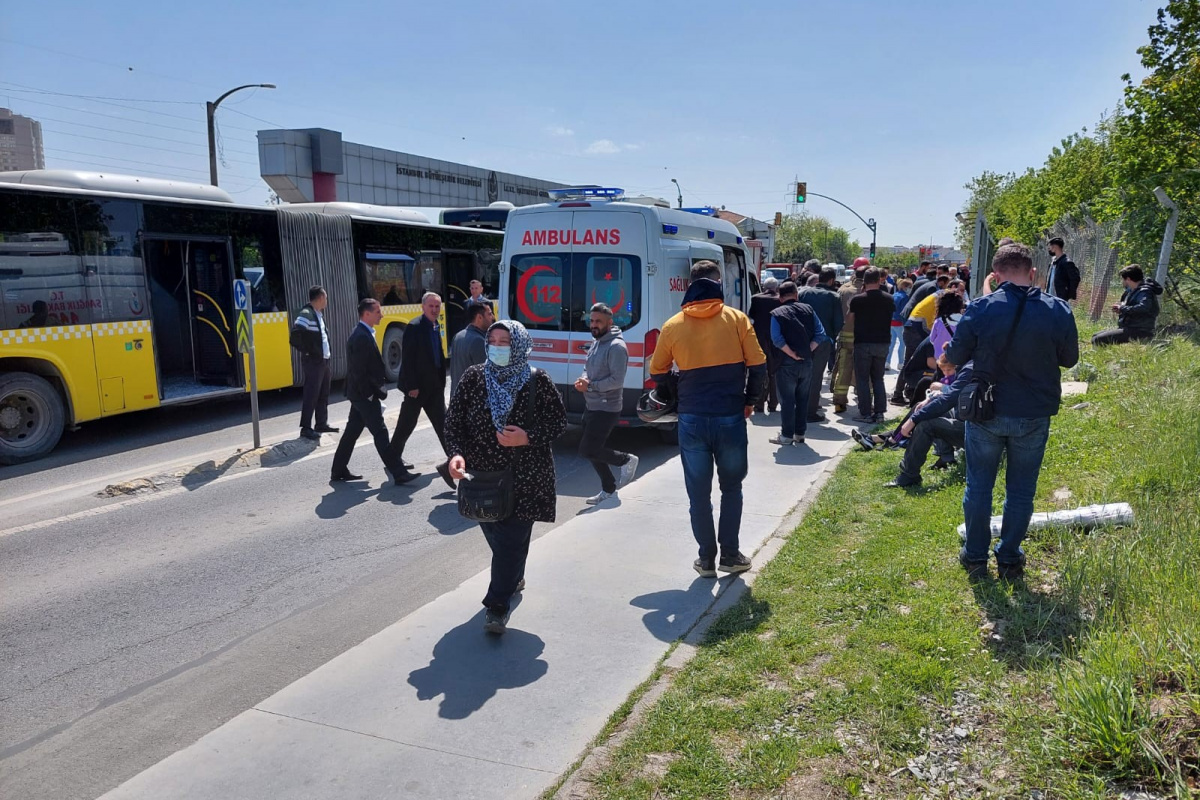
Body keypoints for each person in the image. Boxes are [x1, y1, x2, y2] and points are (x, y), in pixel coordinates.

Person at [946, 242, 1079, 579]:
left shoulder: (980, 308)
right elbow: (1069, 359)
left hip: (986, 410)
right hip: (1034, 411)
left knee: (979, 486)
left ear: (995, 275)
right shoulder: (1058, 309)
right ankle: (1008, 558)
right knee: (1021, 490)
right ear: (1033, 273)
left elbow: (956, 356)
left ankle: (975, 556)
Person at [445, 320, 567, 634]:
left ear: (520, 346)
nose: (497, 347)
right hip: (482, 479)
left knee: (510, 543)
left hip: (526, 477)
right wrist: (456, 454)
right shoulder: (474, 378)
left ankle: (497, 607)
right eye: (493, 341)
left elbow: (558, 422)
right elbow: (454, 421)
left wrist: (527, 437)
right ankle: (513, 577)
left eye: (505, 342)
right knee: (502, 541)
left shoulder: (537, 380)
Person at [649, 260, 766, 578]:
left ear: (690, 284)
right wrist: (750, 401)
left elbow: (657, 371)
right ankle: (730, 555)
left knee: (698, 494)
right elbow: (758, 366)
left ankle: (706, 559)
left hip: (691, 419)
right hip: (730, 415)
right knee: (732, 488)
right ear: (718, 283)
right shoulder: (737, 319)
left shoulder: (673, 325)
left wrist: (675, 393)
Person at [330, 299, 415, 484]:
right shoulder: (361, 336)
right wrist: (369, 394)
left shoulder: (364, 333)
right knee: (380, 432)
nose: (381, 315)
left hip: (358, 394)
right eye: (377, 312)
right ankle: (399, 473)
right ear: (367, 314)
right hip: (363, 395)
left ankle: (338, 470)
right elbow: (358, 371)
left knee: (352, 431)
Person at [575, 303, 638, 504]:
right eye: (592, 321)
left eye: (598, 322)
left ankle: (626, 460)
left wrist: (590, 386)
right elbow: (588, 367)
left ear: (610, 323)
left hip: (606, 407)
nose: (594, 325)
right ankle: (608, 489)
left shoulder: (616, 347)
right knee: (593, 449)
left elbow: (616, 381)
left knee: (588, 449)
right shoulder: (597, 341)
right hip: (592, 405)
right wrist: (584, 379)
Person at [391, 292, 454, 488]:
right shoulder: (415, 327)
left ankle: (454, 461)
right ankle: (393, 461)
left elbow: (437, 355)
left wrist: (441, 381)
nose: (434, 310)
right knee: (406, 425)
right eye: (431, 306)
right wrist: (412, 386)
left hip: (434, 386)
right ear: (423, 307)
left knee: (444, 425)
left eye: (437, 306)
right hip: (417, 388)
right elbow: (408, 359)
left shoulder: (436, 325)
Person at [884, 360, 974, 487]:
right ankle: (946, 457)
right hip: (973, 424)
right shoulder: (974, 362)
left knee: (926, 425)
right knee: (926, 409)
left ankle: (909, 474)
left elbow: (948, 400)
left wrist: (913, 420)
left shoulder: (971, 368)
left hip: (977, 431)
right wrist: (930, 399)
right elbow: (951, 397)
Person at [768, 281, 824, 446]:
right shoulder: (809, 309)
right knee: (802, 399)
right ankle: (800, 434)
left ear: (780, 297)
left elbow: (777, 339)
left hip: (785, 363)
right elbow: (821, 333)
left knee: (787, 401)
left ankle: (786, 436)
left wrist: (792, 354)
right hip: (806, 361)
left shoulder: (777, 313)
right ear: (796, 295)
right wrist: (808, 350)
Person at [795, 267, 842, 422]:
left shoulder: (804, 293)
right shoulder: (834, 297)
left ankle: (797, 407)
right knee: (815, 377)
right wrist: (831, 338)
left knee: (800, 375)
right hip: (823, 341)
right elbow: (838, 322)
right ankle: (810, 412)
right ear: (831, 280)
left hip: (803, 340)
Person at [847, 267, 894, 423]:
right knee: (878, 378)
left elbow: (849, 319)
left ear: (864, 282)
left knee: (862, 379)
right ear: (880, 280)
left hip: (863, 342)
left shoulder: (858, 300)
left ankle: (865, 413)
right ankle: (880, 413)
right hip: (883, 342)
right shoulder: (889, 298)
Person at [291, 286, 337, 441]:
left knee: (323, 393)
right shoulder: (306, 313)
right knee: (311, 394)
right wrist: (309, 352)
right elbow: (295, 335)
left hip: (323, 360)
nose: (327, 301)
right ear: (320, 298)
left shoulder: (318, 314)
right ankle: (306, 428)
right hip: (314, 361)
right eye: (326, 297)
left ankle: (321, 423)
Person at [831, 260, 869, 412]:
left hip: (845, 336)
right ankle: (867, 402)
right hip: (865, 338)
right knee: (867, 371)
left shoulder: (844, 289)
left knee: (843, 370)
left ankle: (839, 402)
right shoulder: (872, 292)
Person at [1092, 265, 1163, 346]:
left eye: (1123, 279)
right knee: (1095, 336)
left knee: (1098, 340)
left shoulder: (1145, 292)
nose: (1122, 282)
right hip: (1130, 327)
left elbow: (1144, 308)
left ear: (1128, 279)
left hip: (1140, 330)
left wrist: (1122, 308)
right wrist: (1121, 309)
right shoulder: (1133, 290)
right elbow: (1132, 308)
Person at [748, 277, 782, 414]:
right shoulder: (780, 300)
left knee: (760, 371)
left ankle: (758, 404)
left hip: (759, 339)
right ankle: (773, 403)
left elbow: (751, 317)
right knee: (774, 373)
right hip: (776, 340)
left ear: (764, 287)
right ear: (776, 287)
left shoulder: (755, 299)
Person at [450, 302, 494, 394]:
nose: (493, 317)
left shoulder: (458, 336)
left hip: (458, 395)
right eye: (489, 314)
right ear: (479, 317)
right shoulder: (478, 341)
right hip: (471, 397)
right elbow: (485, 376)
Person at [1046, 237, 1081, 303]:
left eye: (1050, 246)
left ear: (1055, 247)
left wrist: (1067, 294)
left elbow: (1075, 278)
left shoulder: (1066, 262)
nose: (1049, 249)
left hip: (1060, 300)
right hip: (1050, 298)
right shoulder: (1053, 262)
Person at [889, 278, 912, 370]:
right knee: (902, 343)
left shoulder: (894, 295)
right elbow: (904, 312)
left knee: (891, 343)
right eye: (910, 287)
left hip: (891, 322)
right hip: (900, 323)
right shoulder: (905, 297)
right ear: (905, 287)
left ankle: (887, 362)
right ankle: (900, 363)